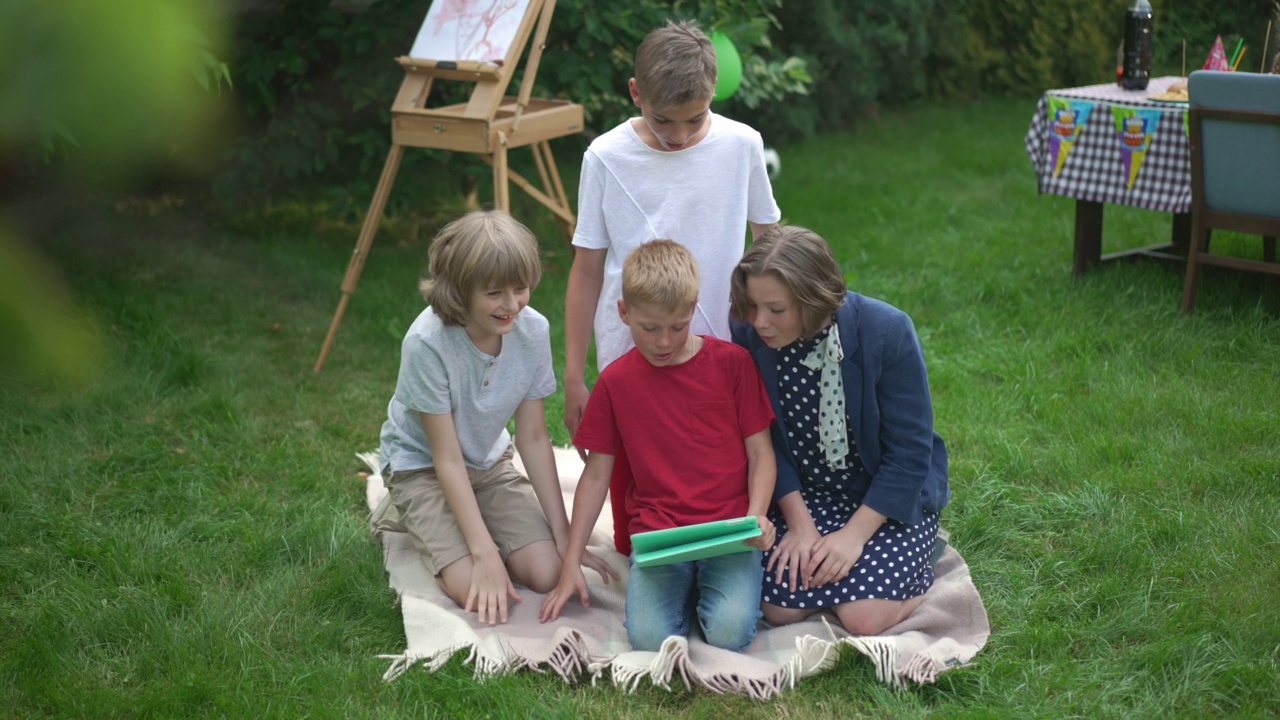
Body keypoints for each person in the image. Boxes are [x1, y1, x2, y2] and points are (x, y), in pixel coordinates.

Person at [562, 19, 782, 552]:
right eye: (663, 120)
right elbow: (587, 268)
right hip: (631, 349)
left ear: (713, 94)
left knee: (722, 492)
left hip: (723, 356)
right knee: (636, 528)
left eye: (694, 118)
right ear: (636, 92)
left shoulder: (742, 145)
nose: (679, 135)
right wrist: (572, 374)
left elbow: (770, 243)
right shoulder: (606, 157)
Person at [372, 210, 616, 626]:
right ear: (459, 290)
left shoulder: (532, 331)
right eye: (494, 293)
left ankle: (472, 519)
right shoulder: (426, 344)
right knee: (476, 587)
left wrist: (564, 537)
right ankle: (412, 508)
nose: (511, 305)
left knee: (546, 572)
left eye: (520, 288)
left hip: (487, 462)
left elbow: (534, 439)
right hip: (424, 467)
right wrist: (483, 553)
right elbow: (446, 458)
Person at [540, 240, 777, 652]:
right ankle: (686, 589)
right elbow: (597, 475)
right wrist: (570, 563)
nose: (664, 342)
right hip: (660, 535)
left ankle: (701, 590)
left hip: (730, 531)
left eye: (677, 326)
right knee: (649, 638)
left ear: (693, 309)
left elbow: (761, 455)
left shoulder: (732, 364)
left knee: (730, 633)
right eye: (649, 328)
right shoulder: (616, 383)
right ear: (623, 313)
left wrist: (755, 517)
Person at [728, 226, 951, 636]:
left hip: (884, 499)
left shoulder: (887, 332)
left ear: (813, 300)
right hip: (806, 494)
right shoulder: (748, 335)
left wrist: (852, 537)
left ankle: (912, 569)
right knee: (777, 608)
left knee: (864, 619)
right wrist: (800, 525)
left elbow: (910, 453)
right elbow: (765, 441)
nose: (760, 322)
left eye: (776, 309)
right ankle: (849, 585)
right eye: (753, 306)